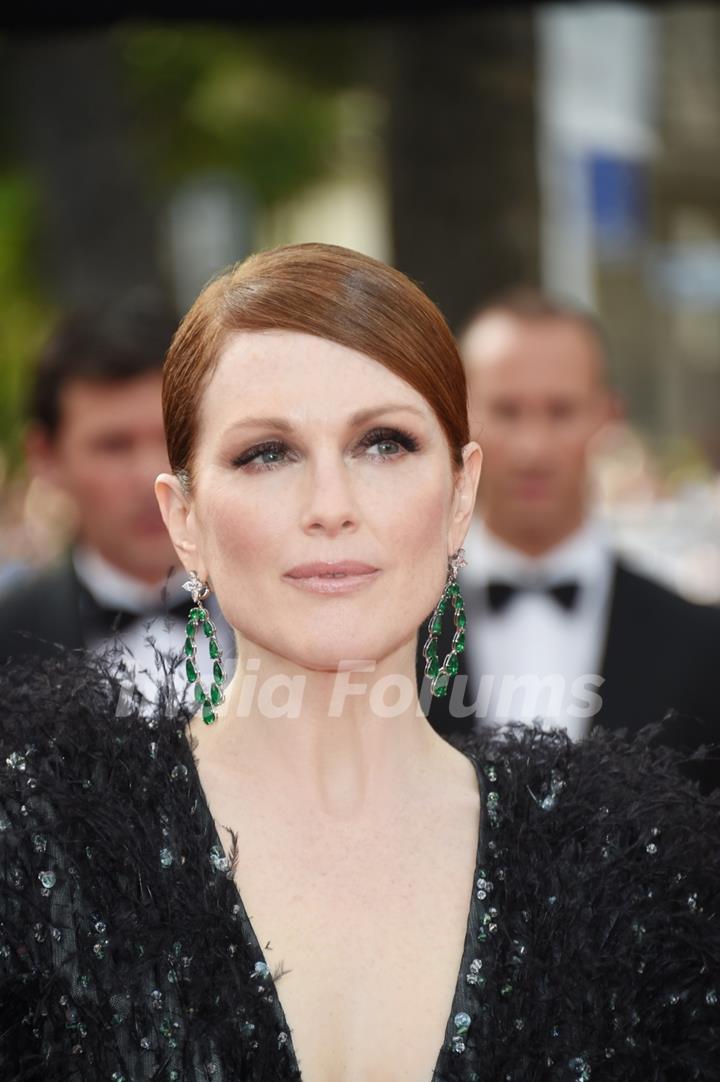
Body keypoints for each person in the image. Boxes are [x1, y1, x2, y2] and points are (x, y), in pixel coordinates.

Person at [1, 245, 717, 1081]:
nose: (331, 507)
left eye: (383, 443)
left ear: (458, 496)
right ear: (184, 517)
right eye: (267, 453)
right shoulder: (39, 861)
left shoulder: (631, 873)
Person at [418, 289, 720, 763]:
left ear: (608, 416)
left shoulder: (700, 643)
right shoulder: (395, 638)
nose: (532, 448)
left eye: (560, 410)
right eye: (506, 410)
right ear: (459, 417)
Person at [0, 297, 233, 699]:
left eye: (173, 438)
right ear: (46, 457)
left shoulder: (294, 614)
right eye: (114, 446)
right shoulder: (9, 637)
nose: (152, 476)